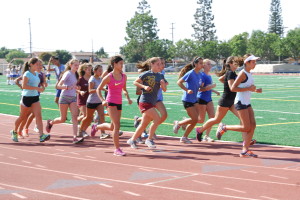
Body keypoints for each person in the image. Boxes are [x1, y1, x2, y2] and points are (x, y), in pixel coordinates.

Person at [216, 55, 262, 158]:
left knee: (253, 125)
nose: (255, 64)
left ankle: (245, 150)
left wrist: (255, 90)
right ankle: (224, 127)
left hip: (247, 102)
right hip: (240, 102)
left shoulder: (249, 73)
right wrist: (249, 88)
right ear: (247, 63)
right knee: (246, 127)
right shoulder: (242, 73)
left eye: (255, 62)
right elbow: (233, 88)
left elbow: (246, 87)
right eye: (253, 62)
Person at [91, 56, 132, 156]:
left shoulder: (124, 76)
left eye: (123, 63)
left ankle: (96, 127)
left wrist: (127, 97)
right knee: (117, 125)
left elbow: (124, 89)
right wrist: (103, 100)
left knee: (112, 126)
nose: (122, 65)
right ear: (114, 64)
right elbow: (98, 89)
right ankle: (117, 149)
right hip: (110, 102)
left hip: (119, 102)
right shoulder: (109, 76)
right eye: (120, 63)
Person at [195, 56, 242, 141]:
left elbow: (221, 79)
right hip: (225, 101)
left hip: (231, 101)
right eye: (235, 63)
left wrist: (227, 83)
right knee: (216, 119)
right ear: (230, 64)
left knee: (243, 118)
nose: (237, 65)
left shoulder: (232, 73)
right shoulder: (230, 73)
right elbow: (232, 88)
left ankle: (246, 139)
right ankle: (200, 130)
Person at [127, 57, 167, 149]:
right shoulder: (146, 74)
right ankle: (149, 139)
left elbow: (164, 90)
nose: (160, 66)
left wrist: (163, 84)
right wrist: (144, 87)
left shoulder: (160, 76)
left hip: (152, 102)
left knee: (144, 124)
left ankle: (132, 140)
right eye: (158, 64)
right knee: (157, 119)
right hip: (145, 101)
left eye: (160, 64)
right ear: (151, 64)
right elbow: (135, 82)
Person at [10, 58, 50, 143]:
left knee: (38, 116)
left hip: (35, 97)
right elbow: (24, 86)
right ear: (31, 64)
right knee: (22, 117)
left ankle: (41, 135)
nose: (39, 66)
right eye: (37, 64)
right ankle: (14, 131)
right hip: (26, 98)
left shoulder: (36, 74)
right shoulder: (27, 73)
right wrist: (36, 88)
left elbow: (39, 84)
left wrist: (42, 87)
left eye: (40, 64)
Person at [46, 59, 84, 144]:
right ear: (71, 65)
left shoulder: (76, 75)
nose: (77, 67)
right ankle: (51, 123)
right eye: (75, 65)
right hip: (64, 97)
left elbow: (73, 86)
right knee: (63, 119)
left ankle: (75, 137)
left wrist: (77, 88)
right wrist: (67, 87)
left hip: (73, 98)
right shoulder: (67, 73)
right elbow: (58, 86)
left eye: (78, 65)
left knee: (75, 117)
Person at [172, 57, 204, 144]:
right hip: (187, 99)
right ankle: (181, 128)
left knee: (196, 119)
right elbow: (179, 82)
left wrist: (207, 88)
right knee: (194, 119)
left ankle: (182, 131)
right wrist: (187, 90)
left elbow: (199, 86)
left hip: (194, 99)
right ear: (196, 64)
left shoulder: (200, 74)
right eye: (200, 63)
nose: (202, 64)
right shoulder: (190, 73)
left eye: (202, 63)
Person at [78, 65, 107, 138]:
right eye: (99, 70)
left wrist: (104, 89)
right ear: (94, 71)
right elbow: (90, 90)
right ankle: (81, 130)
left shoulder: (100, 79)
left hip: (99, 101)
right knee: (88, 117)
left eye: (101, 70)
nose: (101, 72)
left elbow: (100, 88)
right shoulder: (92, 79)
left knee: (102, 117)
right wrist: (99, 89)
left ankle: (103, 133)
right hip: (91, 101)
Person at [196, 59, 220, 142]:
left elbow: (208, 87)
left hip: (209, 99)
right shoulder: (202, 75)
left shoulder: (209, 75)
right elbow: (200, 89)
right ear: (204, 66)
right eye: (208, 64)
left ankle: (206, 135)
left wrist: (214, 91)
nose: (210, 66)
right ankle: (184, 123)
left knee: (212, 118)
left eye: (210, 64)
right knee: (200, 119)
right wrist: (210, 87)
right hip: (201, 98)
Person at [76, 63, 92, 127]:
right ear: (85, 70)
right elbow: (75, 89)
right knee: (86, 115)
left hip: (90, 100)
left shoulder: (92, 78)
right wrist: (80, 91)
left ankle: (81, 127)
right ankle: (76, 120)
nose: (91, 71)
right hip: (81, 100)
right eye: (89, 70)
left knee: (89, 117)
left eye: (91, 69)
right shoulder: (80, 79)